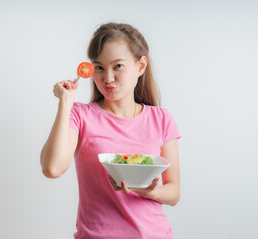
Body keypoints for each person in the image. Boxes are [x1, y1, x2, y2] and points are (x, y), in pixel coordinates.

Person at [40, 22, 182, 239]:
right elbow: (52, 168)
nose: (107, 78)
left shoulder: (161, 119)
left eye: (117, 66)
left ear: (140, 66)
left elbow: (174, 193)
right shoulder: (80, 115)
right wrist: (65, 103)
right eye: (99, 67)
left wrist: (149, 191)